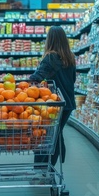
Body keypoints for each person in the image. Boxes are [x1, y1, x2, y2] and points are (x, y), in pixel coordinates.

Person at [29, 26, 76, 174]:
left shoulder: (50, 57)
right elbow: (72, 80)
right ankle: (51, 164)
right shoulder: (70, 58)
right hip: (67, 103)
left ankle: (41, 168)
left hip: (52, 105)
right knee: (55, 134)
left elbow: (35, 78)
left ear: (50, 40)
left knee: (45, 135)